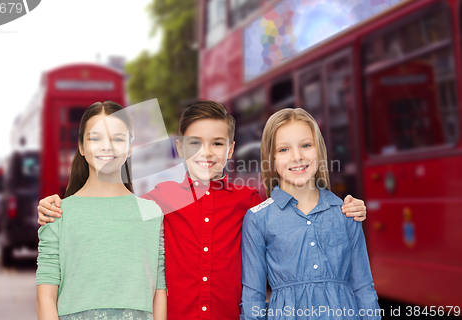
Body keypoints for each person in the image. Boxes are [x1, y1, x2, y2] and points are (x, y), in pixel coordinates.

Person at [36, 101, 367, 320]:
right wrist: (56, 208)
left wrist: (347, 207)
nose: (206, 153)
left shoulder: (250, 202)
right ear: (179, 147)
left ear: (231, 149)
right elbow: (109, 218)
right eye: (194, 143)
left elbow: (296, 212)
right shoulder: (157, 200)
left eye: (217, 143)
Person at [240, 108, 380, 320]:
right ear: (272, 158)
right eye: (284, 149)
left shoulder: (346, 212)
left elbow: (363, 287)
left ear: (319, 151)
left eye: (306, 145)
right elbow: (253, 298)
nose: (297, 157)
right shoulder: (258, 219)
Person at [35, 101, 167, 320]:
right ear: (81, 147)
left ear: (130, 147)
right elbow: (45, 297)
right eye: (95, 138)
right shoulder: (58, 213)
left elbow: (159, 290)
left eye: (117, 138)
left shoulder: (151, 213)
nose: (107, 146)